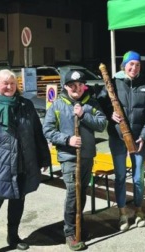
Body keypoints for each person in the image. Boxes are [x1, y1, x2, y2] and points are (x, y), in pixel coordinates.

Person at [0, 69, 51, 252]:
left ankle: (13, 236)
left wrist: (43, 158)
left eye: (13, 83)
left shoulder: (26, 105)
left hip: (23, 164)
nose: (9, 87)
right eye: (5, 83)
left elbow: (37, 134)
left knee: (18, 201)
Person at [42, 70, 107, 250]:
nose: (77, 88)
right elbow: (47, 130)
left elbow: (102, 124)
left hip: (87, 156)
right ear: (65, 86)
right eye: (72, 85)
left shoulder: (90, 104)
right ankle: (70, 231)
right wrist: (67, 140)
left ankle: (80, 224)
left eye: (80, 85)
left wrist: (84, 115)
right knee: (73, 192)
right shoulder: (57, 105)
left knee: (82, 191)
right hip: (69, 157)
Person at [97, 51, 145, 232]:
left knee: (138, 178)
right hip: (118, 137)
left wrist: (144, 136)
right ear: (124, 65)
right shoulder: (113, 82)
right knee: (120, 177)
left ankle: (138, 211)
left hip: (138, 139)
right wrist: (108, 114)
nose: (134, 68)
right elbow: (99, 103)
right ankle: (122, 213)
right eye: (131, 64)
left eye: (137, 65)